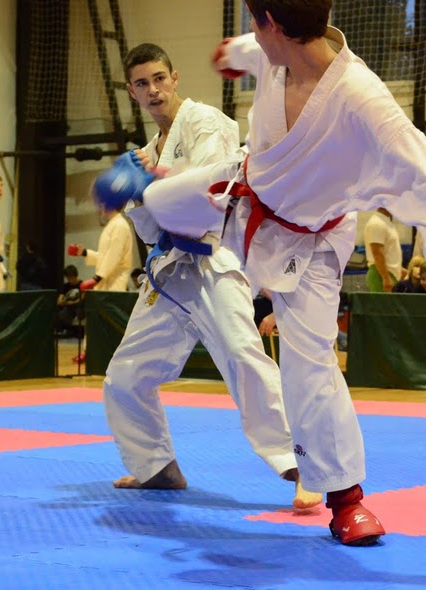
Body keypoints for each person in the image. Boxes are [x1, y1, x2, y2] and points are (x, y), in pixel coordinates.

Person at [96, 0, 426, 546]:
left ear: (274, 23)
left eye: (253, 25)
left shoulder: (361, 98)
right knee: (163, 194)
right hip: (241, 197)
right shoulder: (277, 53)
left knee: (309, 369)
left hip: (310, 244)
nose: (253, 37)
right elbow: (252, 52)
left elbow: (425, 173)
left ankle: (346, 500)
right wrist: (233, 53)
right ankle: (155, 196)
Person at [102, 42, 321, 513]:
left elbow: (207, 194)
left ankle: (301, 467)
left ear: (174, 77)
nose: (153, 90)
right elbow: (152, 231)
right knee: (125, 375)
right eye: (142, 83)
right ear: (132, 92)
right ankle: (156, 467)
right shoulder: (146, 152)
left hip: (213, 261)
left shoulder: (207, 122)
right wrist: (133, 196)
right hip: (168, 272)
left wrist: (152, 182)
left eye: (159, 78)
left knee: (243, 356)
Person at [68, 206, 134, 292]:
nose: (100, 207)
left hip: (115, 285)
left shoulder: (120, 225)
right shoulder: (113, 224)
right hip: (105, 284)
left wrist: (97, 278)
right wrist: (84, 252)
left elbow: (114, 256)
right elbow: (105, 257)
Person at [364, 208, 403, 292]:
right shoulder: (377, 223)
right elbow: (377, 253)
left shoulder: (386, 222)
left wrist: (400, 270)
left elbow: (389, 253)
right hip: (381, 275)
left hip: (388, 274)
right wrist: (385, 278)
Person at [54, 265, 83, 338]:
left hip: (79, 307)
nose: (70, 280)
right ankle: (63, 330)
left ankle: (76, 331)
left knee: (78, 309)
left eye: (72, 278)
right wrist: (65, 302)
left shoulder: (82, 285)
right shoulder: (66, 286)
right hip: (69, 308)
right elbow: (59, 301)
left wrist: (70, 303)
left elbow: (81, 300)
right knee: (61, 312)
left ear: (76, 275)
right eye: (68, 278)